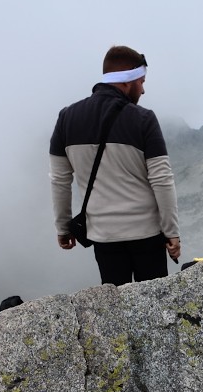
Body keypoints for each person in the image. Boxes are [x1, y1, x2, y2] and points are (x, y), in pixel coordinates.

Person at [51, 45, 180, 286]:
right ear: (127, 80)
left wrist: (63, 226)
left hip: (103, 236)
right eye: (141, 81)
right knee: (154, 309)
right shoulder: (144, 119)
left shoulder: (66, 118)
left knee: (115, 311)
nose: (143, 89)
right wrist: (171, 232)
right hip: (147, 235)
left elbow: (60, 180)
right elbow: (162, 179)